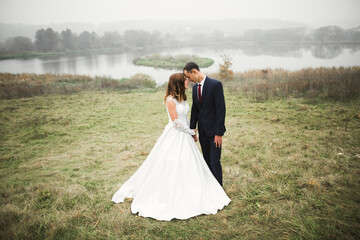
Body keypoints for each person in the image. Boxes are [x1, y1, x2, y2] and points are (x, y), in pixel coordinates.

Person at [112, 73, 230, 221]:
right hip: (175, 134)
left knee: (190, 162)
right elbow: (176, 123)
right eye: (185, 80)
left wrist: (192, 131)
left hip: (186, 134)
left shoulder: (182, 98)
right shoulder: (170, 100)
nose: (188, 82)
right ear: (178, 83)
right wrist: (190, 131)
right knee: (172, 162)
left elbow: (185, 118)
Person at [183, 62, 226, 186]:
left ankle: (219, 189)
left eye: (189, 77)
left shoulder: (215, 85)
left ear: (195, 72)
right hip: (202, 132)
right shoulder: (195, 88)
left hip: (214, 133)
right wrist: (192, 129)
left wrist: (219, 133)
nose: (188, 80)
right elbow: (195, 109)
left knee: (214, 162)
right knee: (206, 161)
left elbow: (220, 110)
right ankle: (210, 187)